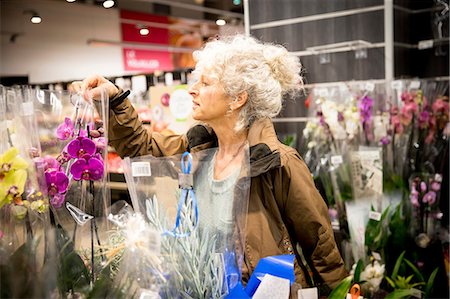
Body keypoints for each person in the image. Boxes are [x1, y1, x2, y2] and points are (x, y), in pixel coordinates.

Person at [73, 34, 347, 296]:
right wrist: (114, 100)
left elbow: (320, 245)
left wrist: (340, 294)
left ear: (238, 98)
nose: (192, 90)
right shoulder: (197, 150)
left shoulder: (277, 163)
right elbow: (140, 147)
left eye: (205, 83)